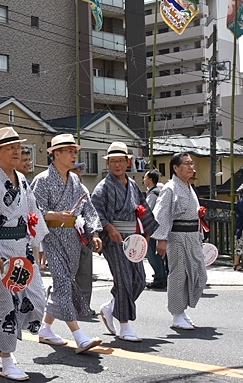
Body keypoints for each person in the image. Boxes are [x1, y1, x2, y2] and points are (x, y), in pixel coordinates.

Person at [0, 127, 49, 381]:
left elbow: (32, 215)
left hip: (23, 246)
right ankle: (6, 358)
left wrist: (39, 246)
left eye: (18, 147)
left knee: (36, 299)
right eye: (11, 148)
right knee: (4, 304)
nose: (17, 152)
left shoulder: (23, 181)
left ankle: (6, 339)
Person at [31, 134, 103, 354]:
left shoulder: (75, 181)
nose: (74, 155)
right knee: (62, 282)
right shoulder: (42, 180)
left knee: (65, 281)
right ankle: (79, 336)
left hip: (72, 238)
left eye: (75, 151)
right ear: (56, 153)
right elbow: (33, 212)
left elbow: (88, 209)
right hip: (51, 238)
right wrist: (53, 215)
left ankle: (45, 328)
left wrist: (95, 233)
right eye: (69, 151)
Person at [91, 142, 158, 342]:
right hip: (114, 239)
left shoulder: (134, 186)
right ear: (108, 163)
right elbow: (94, 211)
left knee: (139, 279)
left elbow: (144, 209)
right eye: (113, 161)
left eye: (121, 160)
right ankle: (124, 325)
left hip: (133, 238)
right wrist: (109, 228)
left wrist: (146, 235)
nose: (117, 165)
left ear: (128, 162)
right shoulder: (103, 187)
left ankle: (111, 307)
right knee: (124, 279)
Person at [152, 152, 207, 330]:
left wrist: (200, 237)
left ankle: (182, 311)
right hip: (177, 236)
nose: (191, 167)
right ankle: (177, 314)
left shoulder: (189, 187)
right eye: (187, 164)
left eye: (192, 163)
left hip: (192, 236)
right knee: (178, 274)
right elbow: (161, 214)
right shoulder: (170, 188)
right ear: (176, 168)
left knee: (199, 273)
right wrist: (161, 239)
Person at [69, 161, 96, 315]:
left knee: (85, 271)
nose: (79, 172)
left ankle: (84, 305)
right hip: (64, 232)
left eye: (80, 169)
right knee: (66, 272)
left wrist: (94, 233)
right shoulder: (56, 185)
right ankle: (60, 301)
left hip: (83, 233)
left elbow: (91, 212)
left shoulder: (83, 188)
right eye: (76, 169)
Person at [143, 169, 167, 289]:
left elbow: (147, 213)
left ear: (151, 180)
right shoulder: (159, 192)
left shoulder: (153, 195)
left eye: (145, 177)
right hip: (160, 228)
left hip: (152, 229)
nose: (143, 179)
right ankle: (162, 276)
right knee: (159, 255)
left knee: (152, 254)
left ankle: (159, 279)